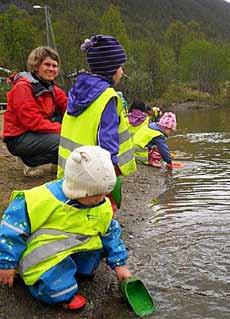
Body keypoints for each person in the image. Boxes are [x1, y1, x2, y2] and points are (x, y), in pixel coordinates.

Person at [0, 145, 132, 310]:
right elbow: (10, 230)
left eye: (105, 193)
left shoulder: (100, 202)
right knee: (56, 288)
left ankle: (79, 270)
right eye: (95, 195)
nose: (102, 200)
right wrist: (6, 263)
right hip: (43, 255)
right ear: (78, 191)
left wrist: (120, 264)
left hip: (70, 244)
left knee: (98, 245)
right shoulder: (40, 200)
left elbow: (109, 232)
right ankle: (58, 292)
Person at [57, 34, 136, 211]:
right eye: (120, 66)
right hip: (94, 169)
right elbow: (106, 139)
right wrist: (110, 172)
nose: (122, 71)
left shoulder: (78, 91)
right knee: (104, 207)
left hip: (72, 166)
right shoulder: (107, 97)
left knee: (75, 207)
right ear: (112, 70)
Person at [3, 46, 67, 177]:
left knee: (68, 119)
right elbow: (33, 122)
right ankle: (29, 161)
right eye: (47, 64)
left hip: (36, 133)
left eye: (55, 66)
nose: (51, 69)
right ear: (36, 65)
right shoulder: (23, 87)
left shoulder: (51, 88)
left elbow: (68, 107)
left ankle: (57, 162)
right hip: (19, 137)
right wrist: (64, 130)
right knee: (65, 139)